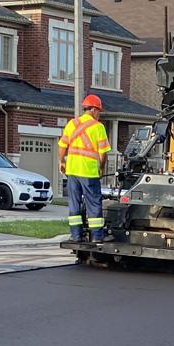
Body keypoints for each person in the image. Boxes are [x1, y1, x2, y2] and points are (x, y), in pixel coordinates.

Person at [59, 94, 112, 242]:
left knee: (74, 204)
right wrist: (101, 168)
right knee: (94, 204)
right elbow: (103, 153)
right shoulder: (98, 127)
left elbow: (62, 146)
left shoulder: (72, 124)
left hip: (72, 172)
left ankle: (76, 235)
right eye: (99, 111)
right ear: (94, 110)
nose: (99, 115)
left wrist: (61, 162)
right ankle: (97, 236)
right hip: (89, 172)